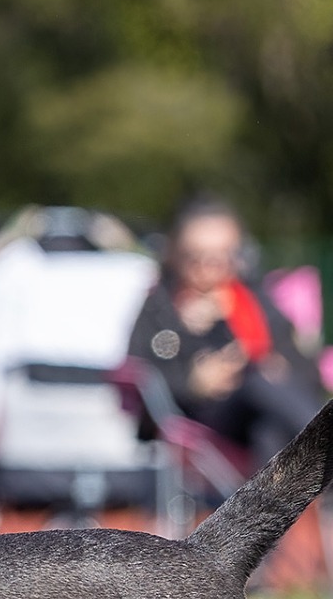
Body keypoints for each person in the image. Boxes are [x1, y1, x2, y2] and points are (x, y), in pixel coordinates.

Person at [127, 196, 321, 468]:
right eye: (196, 258)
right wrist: (193, 383)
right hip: (201, 420)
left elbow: (304, 365)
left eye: (224, 256)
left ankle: (280, 496)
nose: (211, 269)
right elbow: (138, 381)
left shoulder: (251, 299)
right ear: (175, 254)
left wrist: (275, 364)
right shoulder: (160, 308)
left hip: (260, 417)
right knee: (256, 381)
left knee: (267, 429)